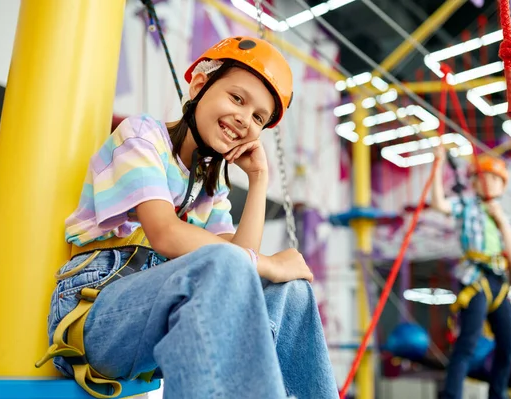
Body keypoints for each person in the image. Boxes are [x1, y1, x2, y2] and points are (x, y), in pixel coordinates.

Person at [37, 36, 339, 399]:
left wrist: (259, 179)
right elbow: (165, 234)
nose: (244, 119)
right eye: (237, 98)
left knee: (292, 293)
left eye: (258, 117)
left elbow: (242, 265)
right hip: (95, 313)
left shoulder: (209, 187)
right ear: (199, 84)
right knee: (229, 264)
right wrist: (268, 264)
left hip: (162, 322)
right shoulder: (142, 136)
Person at [431, 146, 511, 399]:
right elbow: (439, 204)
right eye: (483, 178)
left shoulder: (503, 215)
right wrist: (437, 165)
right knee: (467, 343)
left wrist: (500, 220)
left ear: (502, 186)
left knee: (508, 346)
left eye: (495, 180)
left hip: (498, 281)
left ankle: (497, 394)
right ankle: (452, 395)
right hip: (474, 277)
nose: (489, 184)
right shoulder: (467, 206)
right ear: (473, 182)